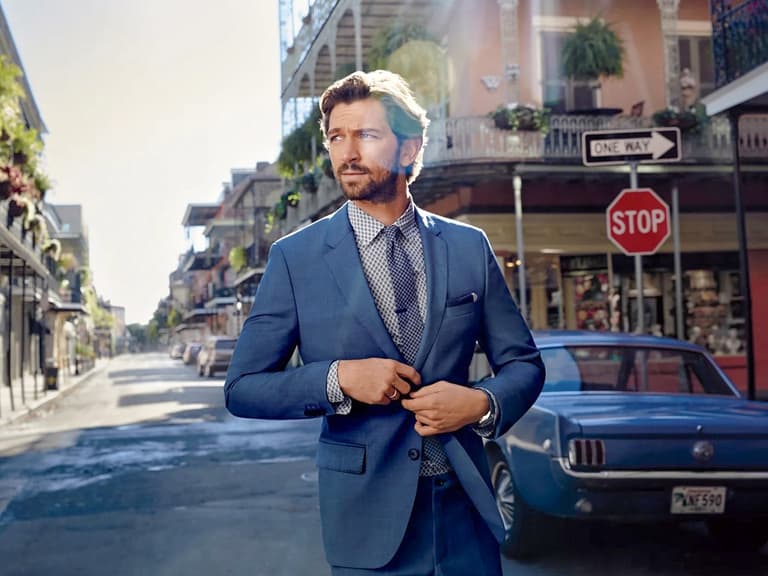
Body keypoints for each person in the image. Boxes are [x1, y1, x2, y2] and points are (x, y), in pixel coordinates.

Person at [225, 70, 545, 575]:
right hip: (367, 525)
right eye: (336, 137)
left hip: (467, 517)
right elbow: (242, 387)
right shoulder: (295, 259)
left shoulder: (468, 248)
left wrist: (481, 403)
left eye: (366, 135)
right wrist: (339, 378)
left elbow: (524, 364)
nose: (347, 153)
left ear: (409, 148)